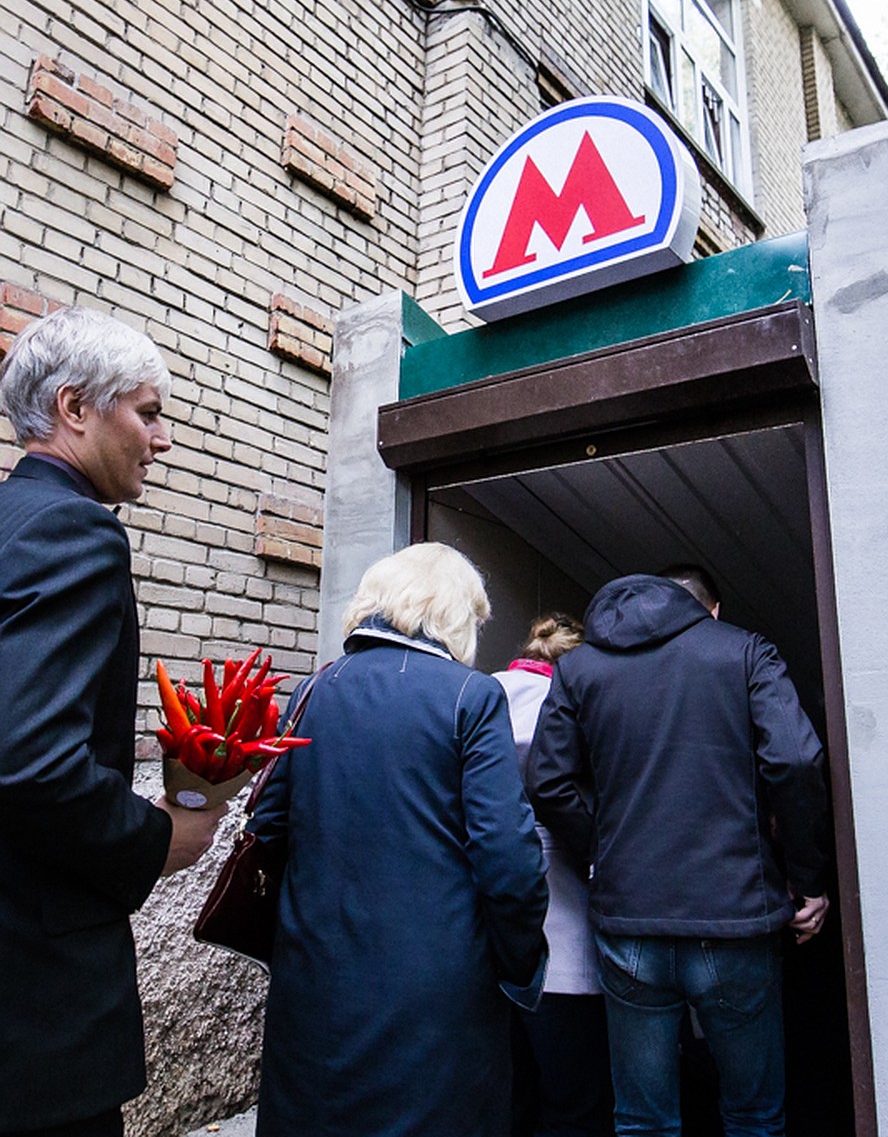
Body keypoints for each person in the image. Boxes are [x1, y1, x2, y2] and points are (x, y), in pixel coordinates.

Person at [0, 307, 226, 1137]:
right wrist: (156, 835)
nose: (161, 440)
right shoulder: (73, 529)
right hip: (34, 1014)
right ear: (75, 409)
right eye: (149, 411)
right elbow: (28, 759)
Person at [250, 542, 549, 1137]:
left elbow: (267, 826)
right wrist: (521, 966)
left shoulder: (314, 690)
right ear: (454, 614)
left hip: (313, 978)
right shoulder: (471, 695)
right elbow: (508, 858)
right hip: (434, 994)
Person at [526, 564, 830, 1137]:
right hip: (737, 919)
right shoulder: (743, 651)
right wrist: (806, 878)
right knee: (753, 1117)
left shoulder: (578, 669)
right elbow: (794, 761)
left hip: (629, 920)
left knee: (643, 1121)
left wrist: (603, 847)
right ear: (709, 610)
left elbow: (547, 783)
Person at [495, 613, 615, 1137]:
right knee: (576, 1100)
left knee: (510, 1094)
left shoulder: (486, 694)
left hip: (496, 935)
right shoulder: (576, 704)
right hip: (567, 923)